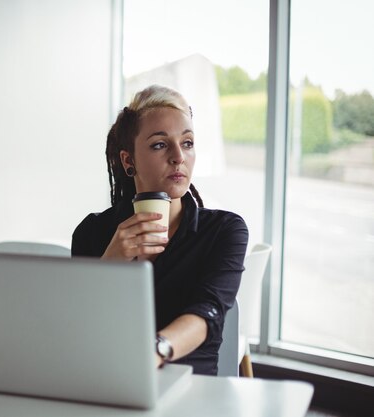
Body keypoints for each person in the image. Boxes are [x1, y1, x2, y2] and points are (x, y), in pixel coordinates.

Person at [71, 85, 248, 375]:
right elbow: (78, 327)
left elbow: (207, 314)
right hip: (108, 382)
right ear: (128, 161)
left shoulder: (224, 230)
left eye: (187, 143)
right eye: (159, 144)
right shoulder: (92, 232)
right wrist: (110, 263)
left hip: (191, 389)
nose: (178, 156)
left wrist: (154, 351)